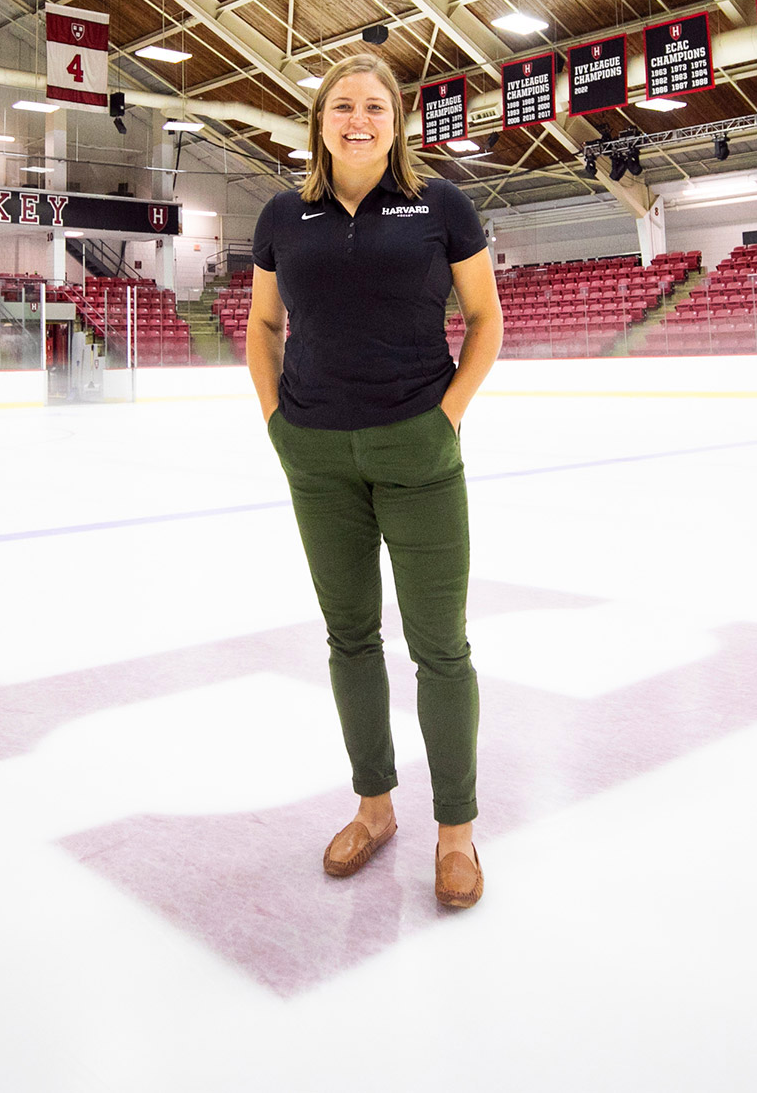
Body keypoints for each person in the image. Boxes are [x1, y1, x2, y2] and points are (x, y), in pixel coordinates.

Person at [246, 52, 503, 909]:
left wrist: (448, 415)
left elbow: (484, 317)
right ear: (320, 119)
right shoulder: (285, 213)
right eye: (342, 106)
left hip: (418, 450)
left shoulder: (440, 206)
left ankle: (458, 833)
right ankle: (375, 805)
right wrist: (277, 421)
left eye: (375, 107)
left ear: (397, 122)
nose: (359, 119)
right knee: (350, 637)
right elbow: (261, 323)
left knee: (441, 646)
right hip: (316, 455)